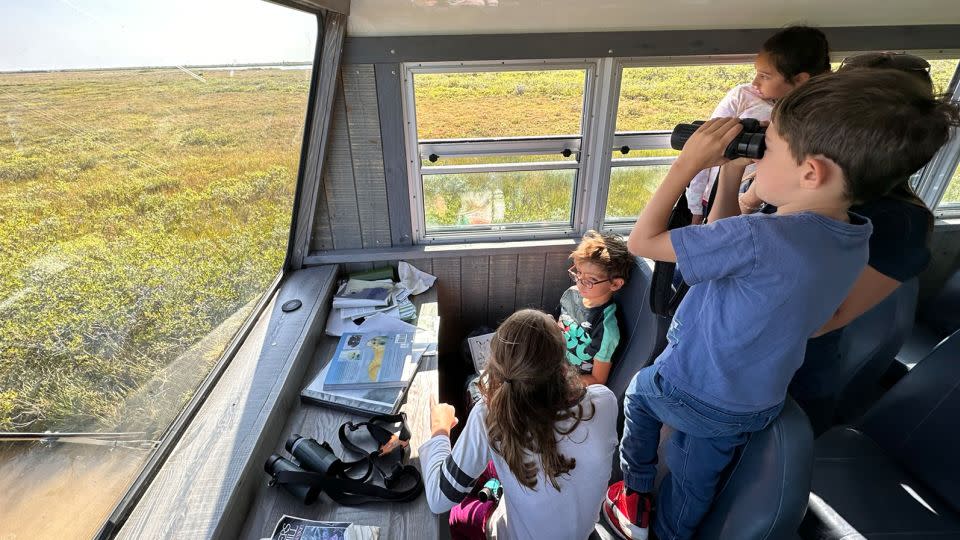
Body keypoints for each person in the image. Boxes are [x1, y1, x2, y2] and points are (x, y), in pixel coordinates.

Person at [602, 70, 959, 540]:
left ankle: (641, 501)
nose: (757, 155)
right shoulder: (854, 235)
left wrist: (687, 165)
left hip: (695, 385)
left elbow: (642, 240)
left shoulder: (760, 237)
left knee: (642, 405)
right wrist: (731, 170)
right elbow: (728, 247)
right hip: (755, 399)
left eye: (766, 146)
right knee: (695, 474)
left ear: (811, 172)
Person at [738, 52, 939, 433]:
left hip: (792, 378)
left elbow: (819, 321)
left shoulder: (900, 223)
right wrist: (750, 194)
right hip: (745, 359)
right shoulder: (803, 179)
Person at [422, 309, 618, 540]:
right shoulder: (604, 401)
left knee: (459, 515)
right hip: (579, 533)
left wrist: (440, 430)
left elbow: (438, 498)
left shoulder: (489, 416)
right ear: (562, 362)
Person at [685, 25, 831, 224]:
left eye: (765, 76)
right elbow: (705, 148)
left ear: (800, 80)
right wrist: (695, 206)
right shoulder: (743, 97)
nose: (755, 82)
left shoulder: (824, 115)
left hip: (777, 209)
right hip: (719, 196)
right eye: (757, 73)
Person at [558, 230, 632, 386]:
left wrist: (559, 383)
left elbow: (598, 380)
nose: (579, 283)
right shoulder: (570, 295)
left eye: (590, 280)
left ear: (615, 284)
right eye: (578, 273)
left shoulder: (607, 329)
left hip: (572, 383)